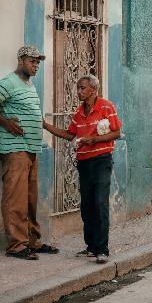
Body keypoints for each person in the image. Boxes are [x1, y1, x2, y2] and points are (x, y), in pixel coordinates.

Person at [0, 46, 59, 260]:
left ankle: (33, 240)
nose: (36, 66)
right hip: (15, 149)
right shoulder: (10, 82)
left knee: (30, 199)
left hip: (31, 149)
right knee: (16, 198)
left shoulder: (29, 85)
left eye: (38, 62)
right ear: (21, 60)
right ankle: (16, 245)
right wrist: (6, 123)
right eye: (32, 61)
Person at [43, 74, 122, 264]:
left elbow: (117, 132)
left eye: (83, 88)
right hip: (84, 162)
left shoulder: (106, 107)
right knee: (86, 205)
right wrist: (45, 126)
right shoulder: (79, 113)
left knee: (100, 202)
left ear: (93, 90)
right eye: (78, 88)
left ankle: (102, 249)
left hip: (102, 161)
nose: (79, 91)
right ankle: (91, 246)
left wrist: (94, 140)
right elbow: (69, 135)